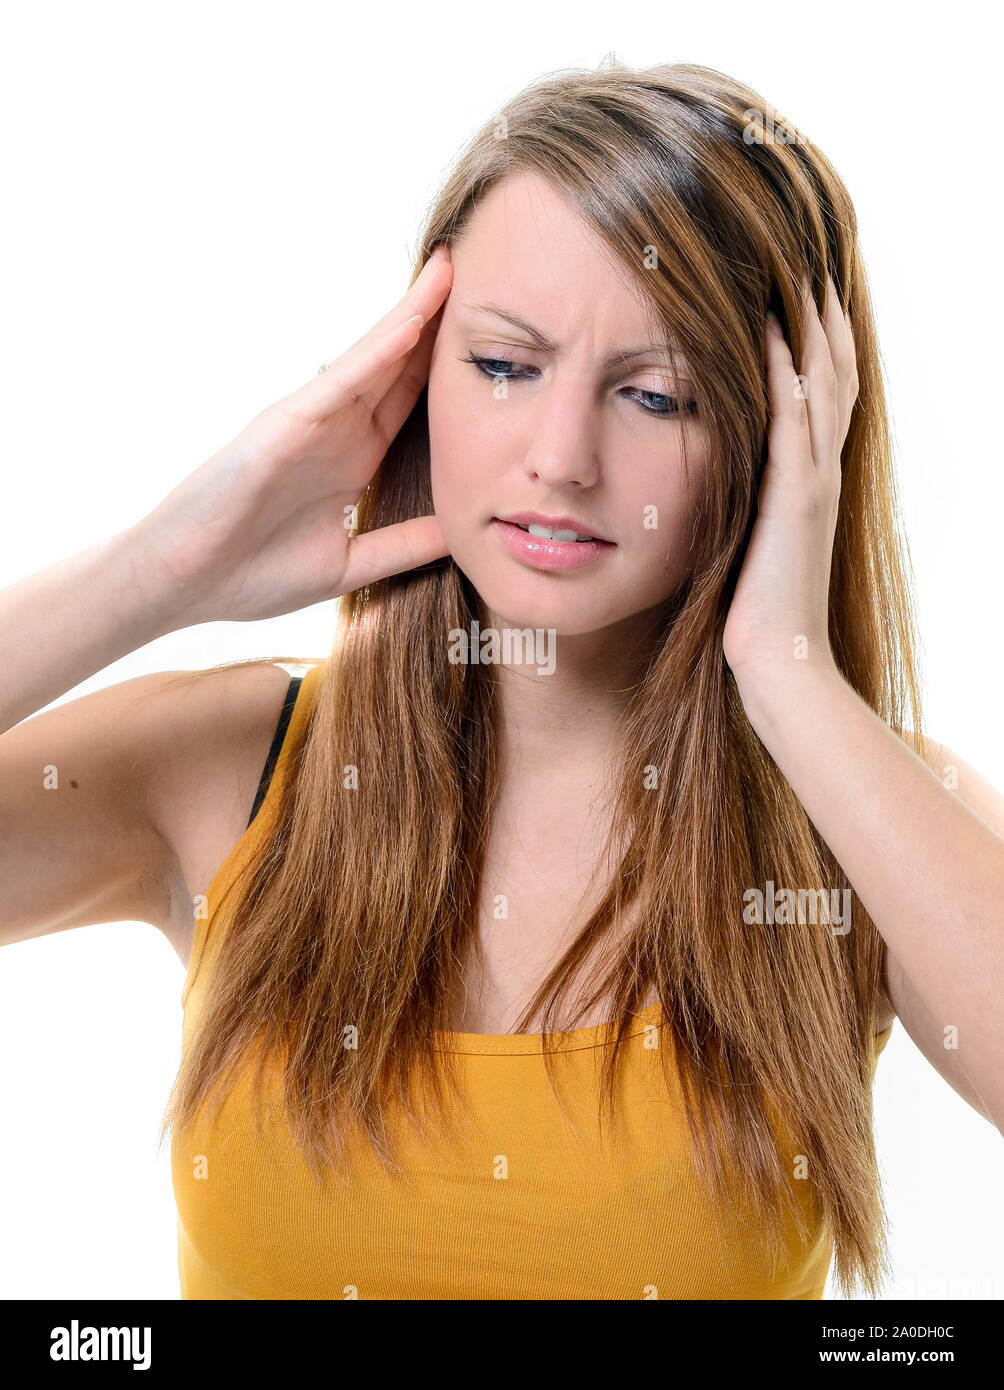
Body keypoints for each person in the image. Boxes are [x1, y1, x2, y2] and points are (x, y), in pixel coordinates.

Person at [2, 60, 1001, 1301]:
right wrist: (162, 568)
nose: (560, 459)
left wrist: (789, 677)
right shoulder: (231, 767)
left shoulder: (852, 818)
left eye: (656, 395)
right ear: (417, 374)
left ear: (779, 437)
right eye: (504, 366)